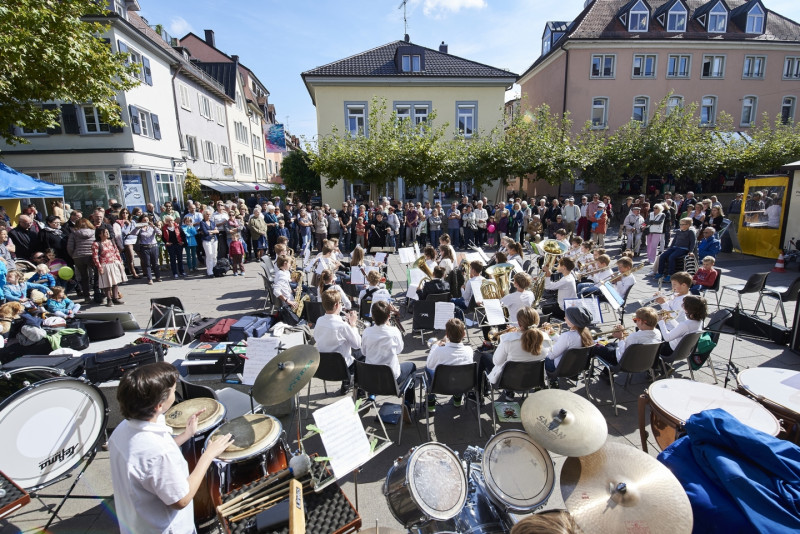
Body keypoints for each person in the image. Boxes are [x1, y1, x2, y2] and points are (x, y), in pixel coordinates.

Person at [109, 362, 234, 534]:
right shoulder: (158, 451)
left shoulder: (122, 429)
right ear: (158, 406)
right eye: (173, 391)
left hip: (138, 524)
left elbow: (147, 469)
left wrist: (185, 435)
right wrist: (208, 455)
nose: (174, 393)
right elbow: (180, 499)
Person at [361, 300, 416, 413]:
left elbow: (364, 352)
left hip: (371, 378)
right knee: (412, 367)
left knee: (376, 367)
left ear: (373, 316)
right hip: (392, 378)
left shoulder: (366, 332)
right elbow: (399, 350)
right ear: (388, 316)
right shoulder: (394, 331)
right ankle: (407, 404)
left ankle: (371, 397)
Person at [481, 307, 546, 393]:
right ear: (537, 322)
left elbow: (496, 362)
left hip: (508, 382)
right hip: (534, 380)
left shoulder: (508, 340)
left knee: (484, 357)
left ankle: (479, 392)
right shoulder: (546, 339)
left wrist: (509, 337)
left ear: (519, 324)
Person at [314, 288, 363, 394]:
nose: (341, 305)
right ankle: (360, 390)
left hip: (322, 367)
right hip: (342, 369)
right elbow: (357, 345)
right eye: (340, 303)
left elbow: (318, 337)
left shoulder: (319, 321)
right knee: (364, 353)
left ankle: (346, 384)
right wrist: (353, 325)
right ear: (336, 305)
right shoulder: (342, 325)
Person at [425, 318, 473, 411]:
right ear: (464, 334)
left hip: (441, 386)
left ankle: (431, 404)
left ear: (447, 335)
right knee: (460, 372)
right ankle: (457, 399)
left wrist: (436, 345)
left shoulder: (438, 350)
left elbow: (429, 365)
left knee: (428, 369)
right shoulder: (469, 350)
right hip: (462, 385)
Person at [593, 306, 662, 367]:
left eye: (636, 320)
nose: (635, 322)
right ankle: (606, 374)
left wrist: (621, 338)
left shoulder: (634, 337)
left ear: (641, 321)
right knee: (610, 345)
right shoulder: (658, 332)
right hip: (645, 362)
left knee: (594, 348)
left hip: (624, 363)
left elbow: (623, 354)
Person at [544, 306, 594, 381]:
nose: (564, 318)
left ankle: (550, 382)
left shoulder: (567, 336)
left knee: (540, 356)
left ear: (573, 321)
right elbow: (566, 342)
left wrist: (545, 338)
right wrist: (553, 334)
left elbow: (551, 356)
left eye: (566, 317)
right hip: (576, 368)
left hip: (559, 369)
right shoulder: (586, 333)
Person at [93, 227, 127, 306]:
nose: (107, 234)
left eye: (107, 232)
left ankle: (115, 298)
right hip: (105, 265)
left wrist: (120, 262)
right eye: (105, 232)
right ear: (100, 234)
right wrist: (99, 267)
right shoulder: (96, 244)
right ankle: (109, 299)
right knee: (107, 283)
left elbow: (116, 251)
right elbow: (95, 257)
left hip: (114, 263)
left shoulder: (111, 241)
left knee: (115, 282)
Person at [66, 218, 97, 298]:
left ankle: (86, 297)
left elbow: (70, 247)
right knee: (97, 274)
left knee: (83, 277)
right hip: (91, 256)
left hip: (78, 257)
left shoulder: (73, 233)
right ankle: (97, 293)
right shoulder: (93, 232)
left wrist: (73, 255)